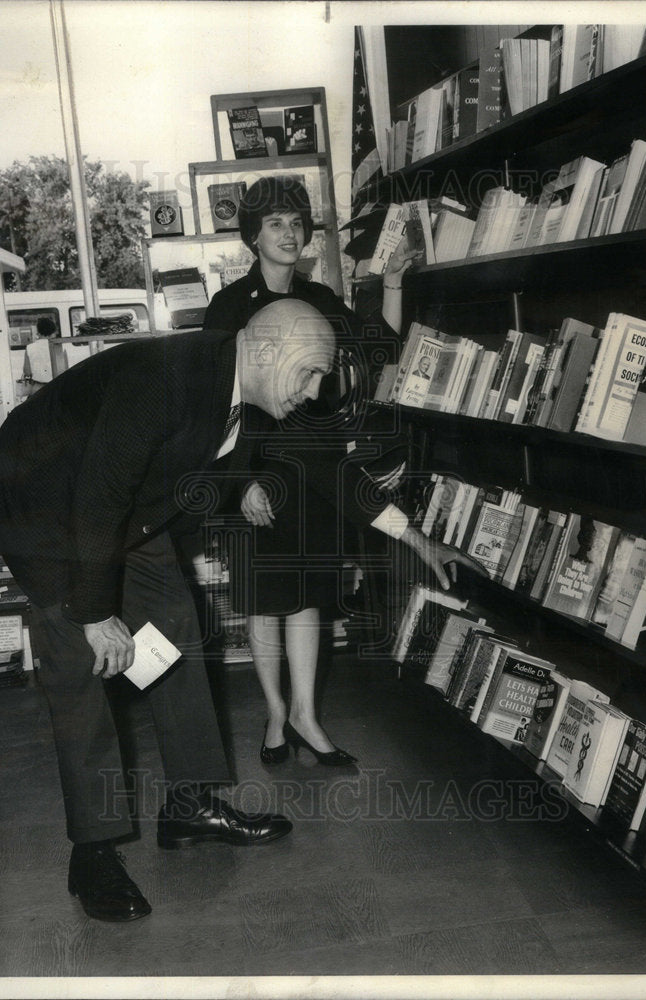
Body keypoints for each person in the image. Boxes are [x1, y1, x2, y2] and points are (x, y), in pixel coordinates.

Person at [0, 299, 464, 923]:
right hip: (39, 503)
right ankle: (91, 852)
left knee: (175, 625)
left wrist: (417, 538)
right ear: (266, 351)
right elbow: (95, 496)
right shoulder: (163, 380)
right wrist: (96, 615)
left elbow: (328, 467)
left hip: (120, 510)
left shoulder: (258, 396)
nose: (316, 393)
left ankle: (190, 806)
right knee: (81, 665)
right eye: (310, 374)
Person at [202, 176, 419, 768]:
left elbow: (380, 343)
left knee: (308, 599)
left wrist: (393, 282)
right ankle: (275, 712)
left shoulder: (320, 297)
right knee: (261, 600)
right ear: (252, 237)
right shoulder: (228, 308)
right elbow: (217, 402)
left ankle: (305, 715)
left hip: (315, 471)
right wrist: (241, 481)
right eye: (275, 223)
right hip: (253, 471)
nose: (290, 233)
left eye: (296, 223)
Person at [21, 316, 58, 394]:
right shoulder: (57, 346)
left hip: (38, 389)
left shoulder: (29, 347)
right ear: (52, 331)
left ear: (38, 331)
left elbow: (27, 371)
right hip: (55, 386)